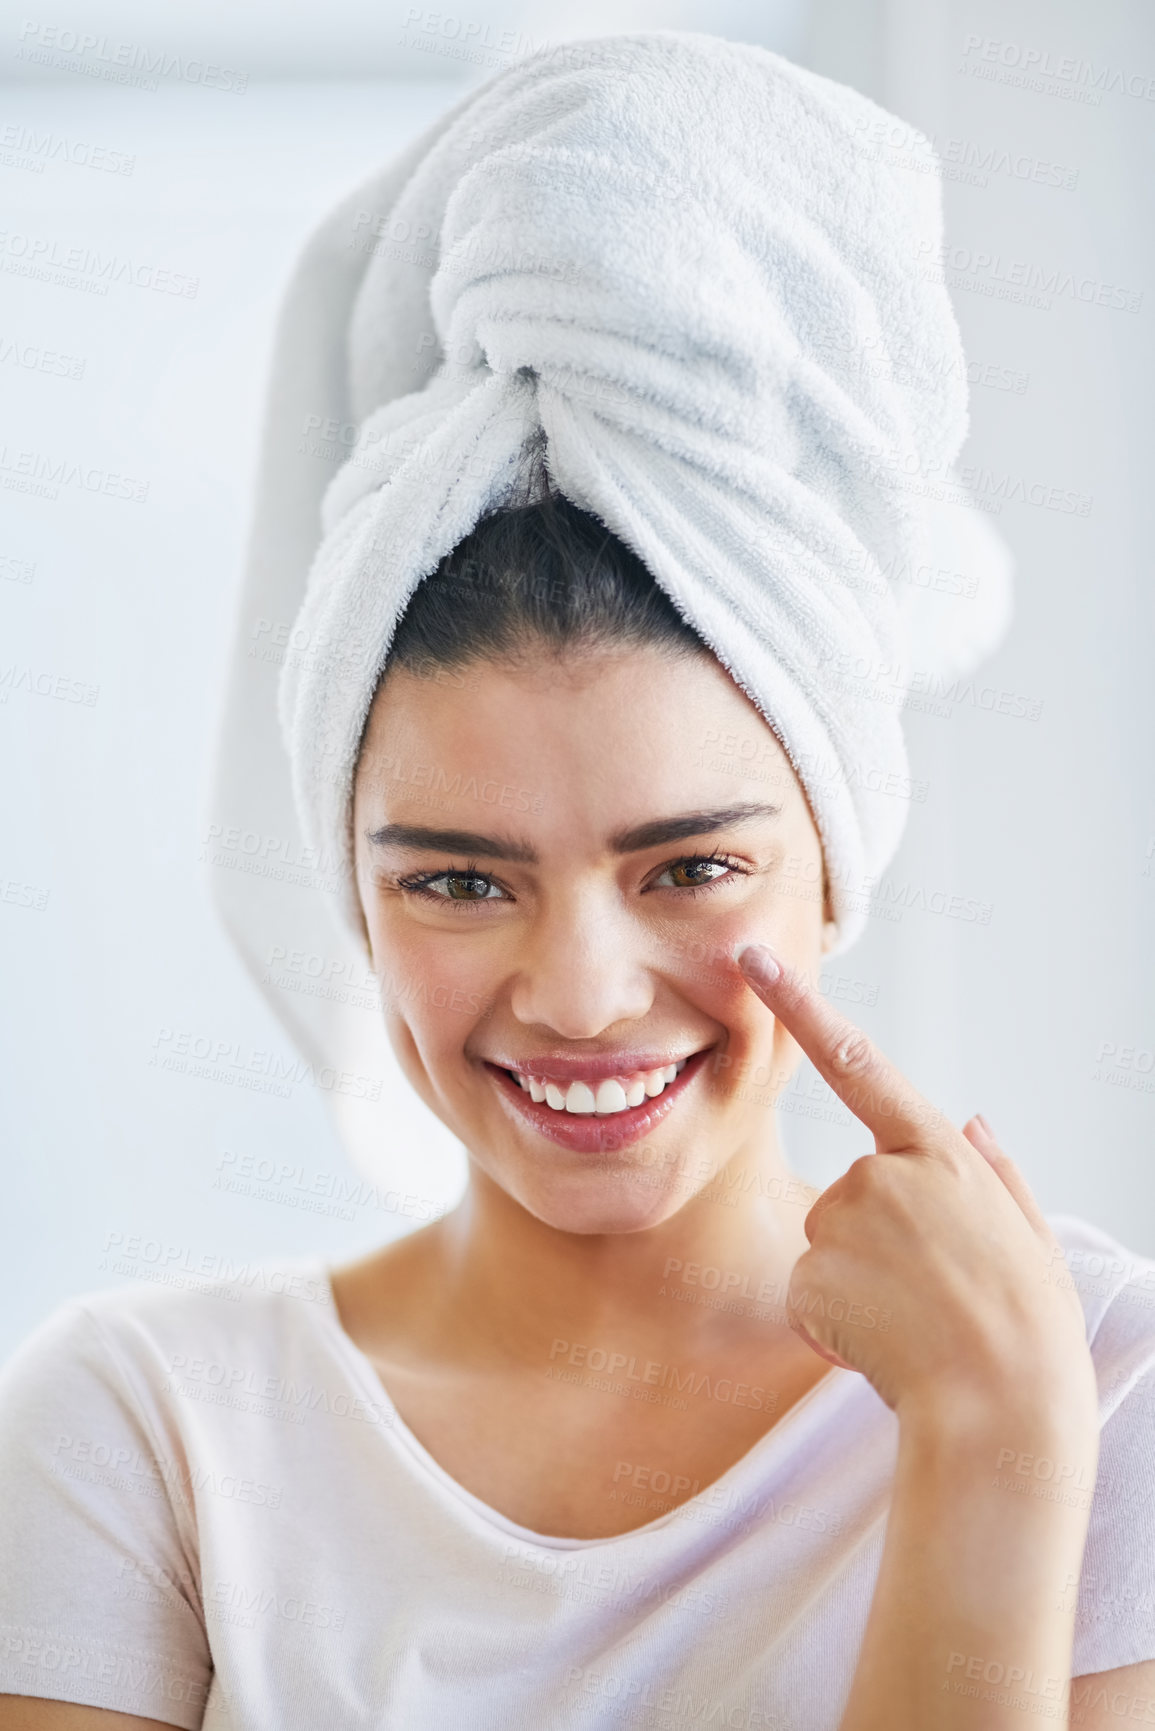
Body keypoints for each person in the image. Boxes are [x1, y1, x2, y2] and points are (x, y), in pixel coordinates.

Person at [3, 30, 1154, 1731]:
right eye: (459, 884)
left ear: (836, 862)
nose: (581, 992)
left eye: (689, 865)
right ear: (354, 893)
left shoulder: (1091, 1372)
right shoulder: (146, 1428)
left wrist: (992, 1442)